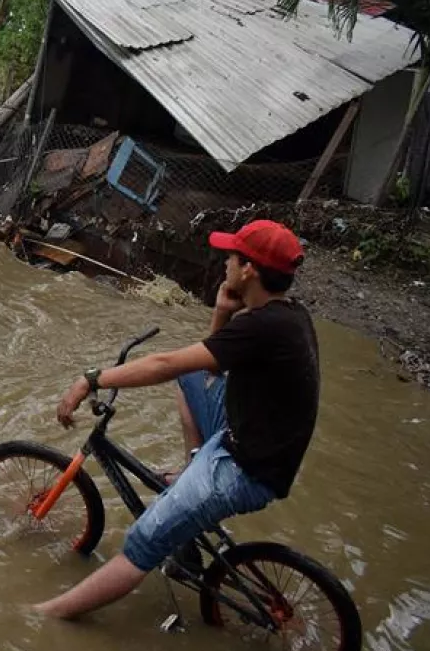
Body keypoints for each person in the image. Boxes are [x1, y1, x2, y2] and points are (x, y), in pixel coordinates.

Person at [36, 219, 319, 620]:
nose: (225, 263)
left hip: (245, 469)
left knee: (142, 544)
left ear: (249, 269)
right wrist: (222, 312)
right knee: (190, 380)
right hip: (255, 439)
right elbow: (207, 369)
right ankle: (191, 469)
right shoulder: (287, 315)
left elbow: (164, 364)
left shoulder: (261, 328)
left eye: (231, 257)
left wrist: (91, 379)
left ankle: (44, 615)